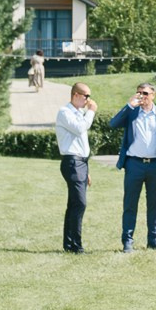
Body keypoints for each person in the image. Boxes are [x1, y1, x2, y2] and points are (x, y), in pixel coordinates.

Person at [106, 82, 156, 253]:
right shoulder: (131, 112)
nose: (141, 96)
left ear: (153, 95)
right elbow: (113, 124)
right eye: (138, 93)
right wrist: (129, 104)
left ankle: (153, 239)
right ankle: (127, 242)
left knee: (154, 205)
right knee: (130, 204)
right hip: (134, 164)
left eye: (145, 93)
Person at [54, 81, 96, 254]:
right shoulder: (65, 112)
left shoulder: (79, 113)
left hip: (80, 163)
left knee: (74, 204)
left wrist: (86, 170)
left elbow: (82, 143)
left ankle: (70, 244)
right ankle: (76, 245)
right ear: (76, 95)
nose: (88, 100)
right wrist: (91, 112)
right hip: (72, 162)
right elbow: (80, 129)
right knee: (80, 203)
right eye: (86, 96)